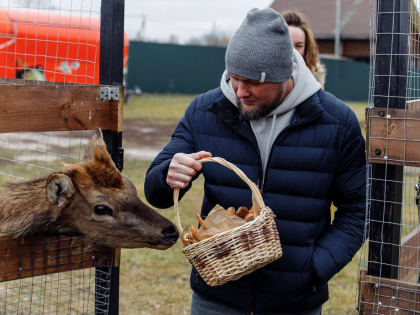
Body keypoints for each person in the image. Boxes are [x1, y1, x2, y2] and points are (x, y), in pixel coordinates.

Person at [145, 8, 365, 315]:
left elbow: (358, 209)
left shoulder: (337, 123)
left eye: (251, 82)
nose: (239, 91)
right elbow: (155, 191)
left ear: (284, 74)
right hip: (216, 299)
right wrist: (168, 174)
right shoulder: (205, 110)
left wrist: (313, 268)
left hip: (294, 303)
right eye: (233, 78)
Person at [283, 9, 327, 87]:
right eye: (287, 44)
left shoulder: (316, 84)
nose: (293, 51)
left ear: (307, 49)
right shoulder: (264, 79)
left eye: (299, 46)